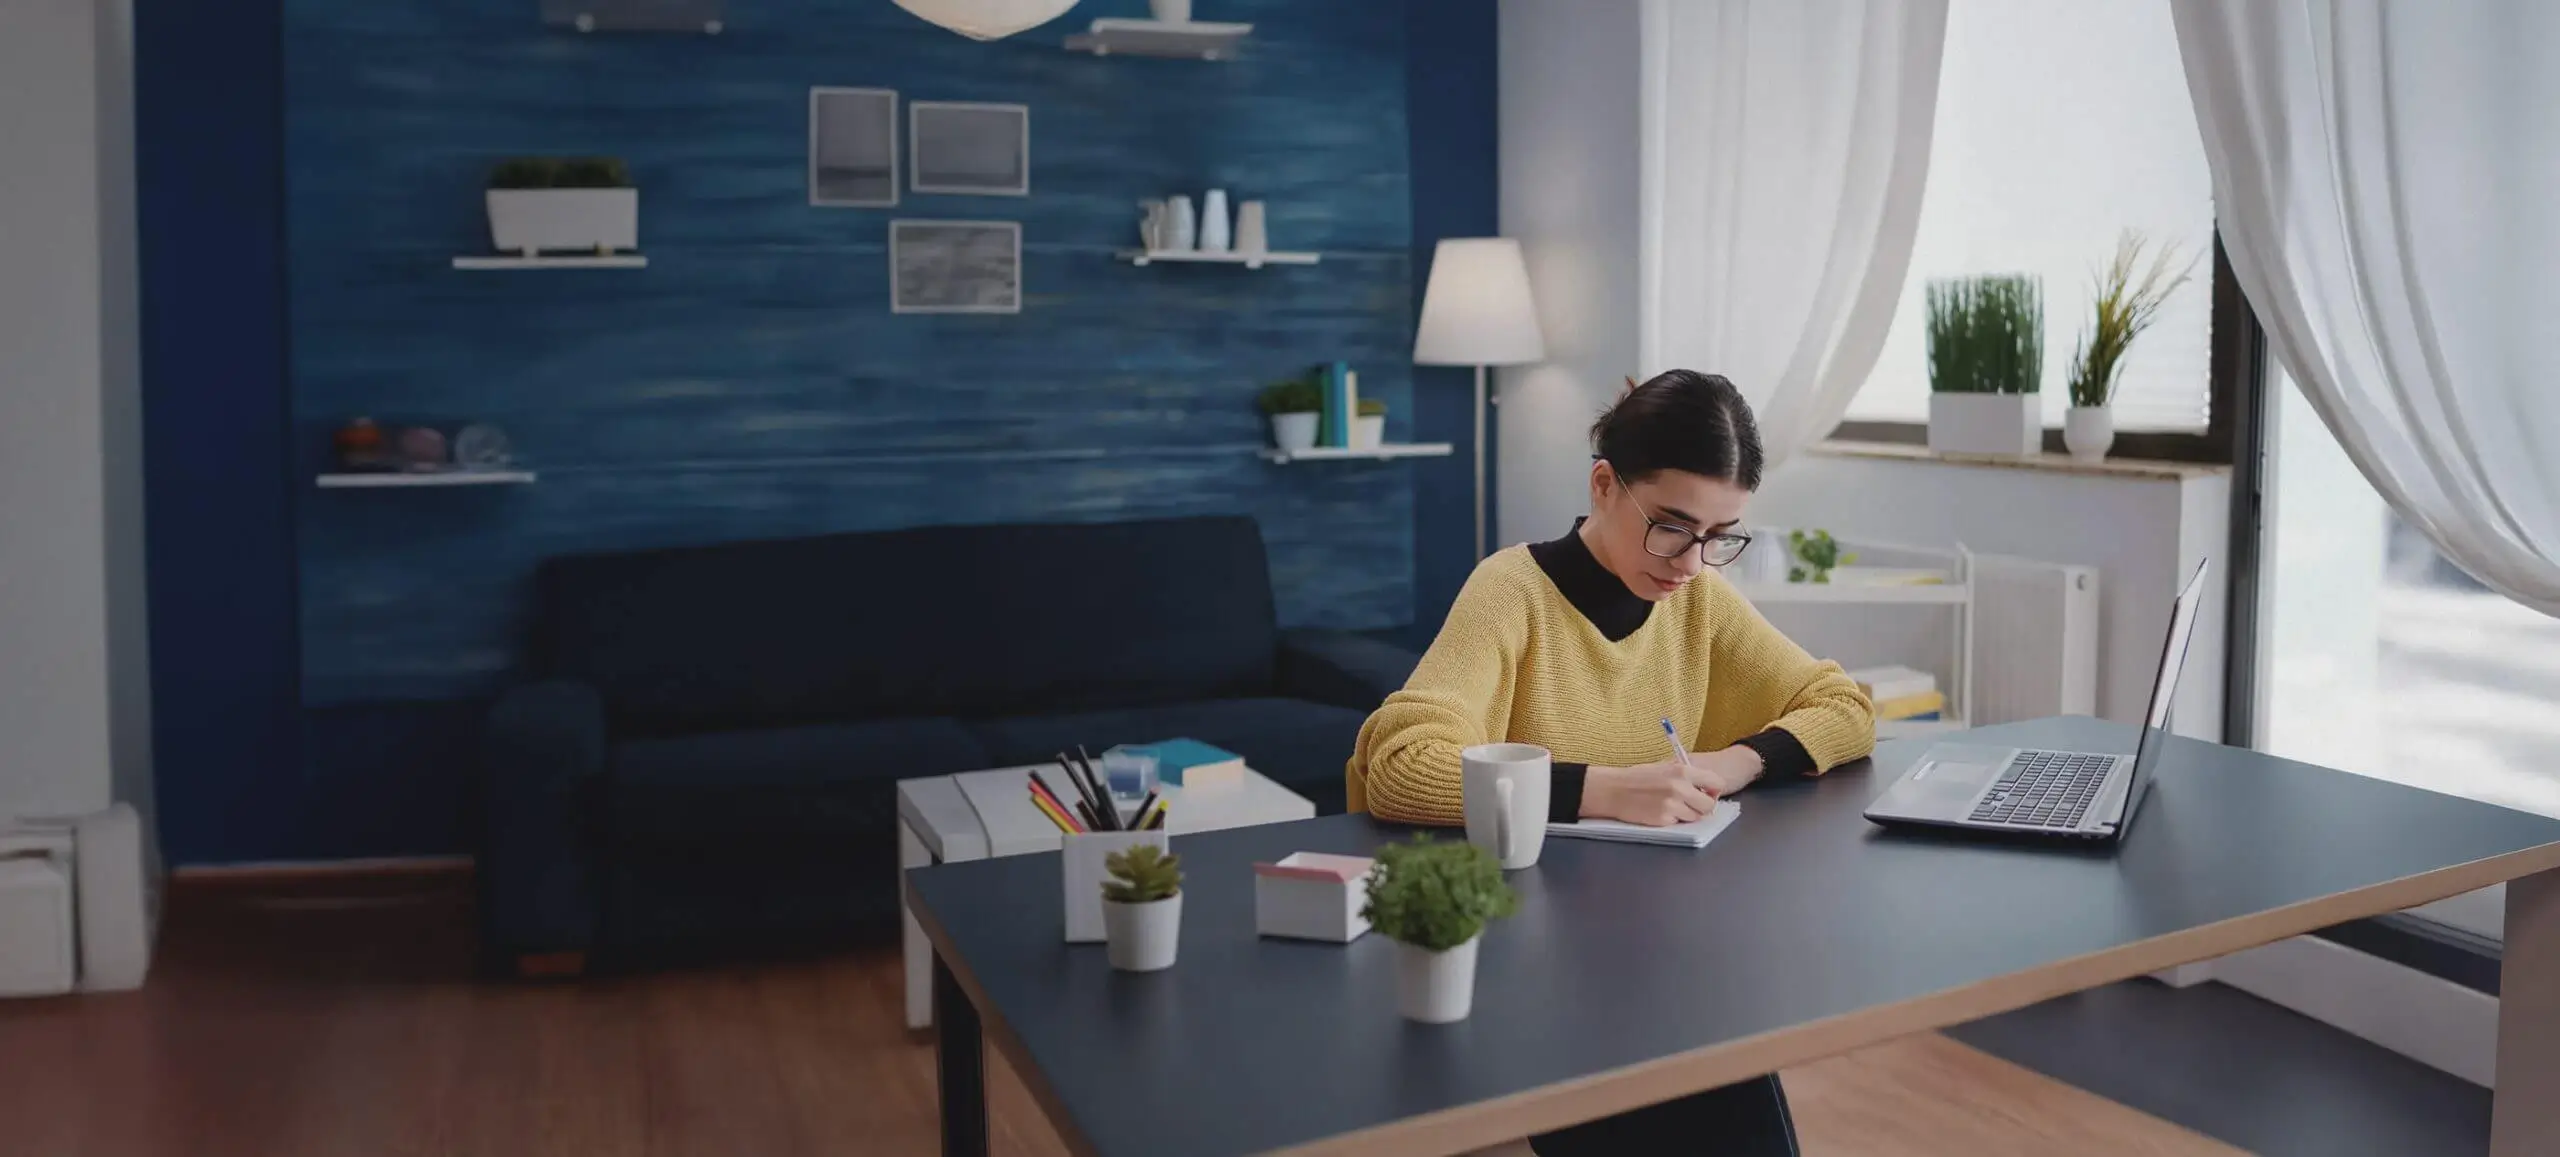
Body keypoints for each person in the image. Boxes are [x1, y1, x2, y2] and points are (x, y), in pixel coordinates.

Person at [1346, 369, 1876, 1156]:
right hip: (1529, 963)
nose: (1692, 561)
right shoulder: (1509, 591)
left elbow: (1845, 707)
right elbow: (1401, 764)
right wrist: (1603, 789)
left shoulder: (1696, 598)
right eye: (1671, 525)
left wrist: (1732, 763)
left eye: (1719, 534)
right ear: (1604, 484)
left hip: (1662, 956)